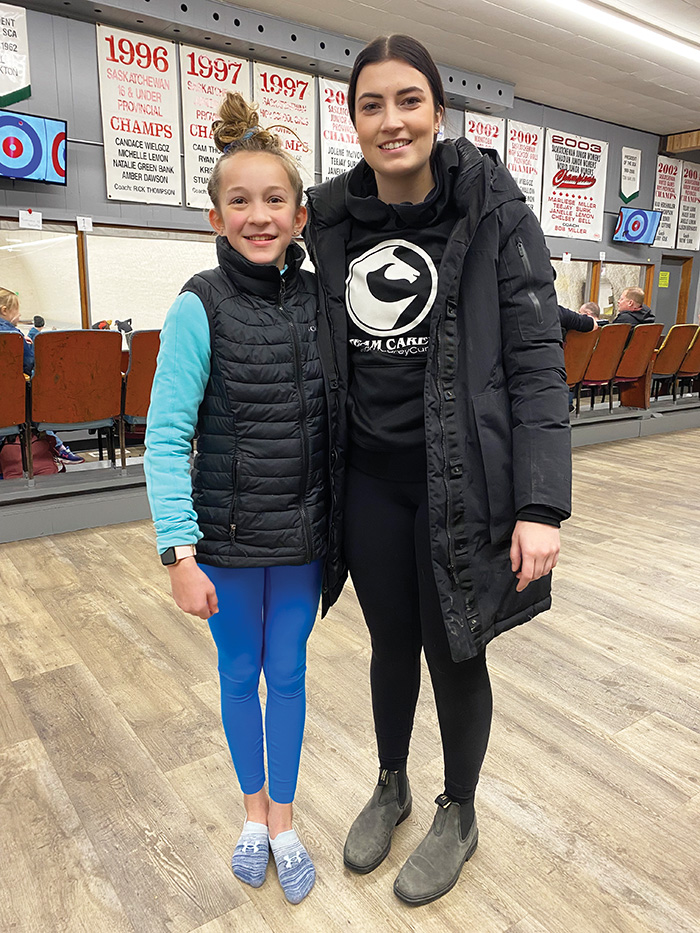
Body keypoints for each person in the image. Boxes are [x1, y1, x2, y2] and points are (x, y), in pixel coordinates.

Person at [304, 35, 571, 906]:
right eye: (372, 104)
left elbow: (536, 357)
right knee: (390, 645)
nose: (392, 121)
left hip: (466, 478)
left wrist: (541, 502)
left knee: (456, 645)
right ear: (352, 119)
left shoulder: (492, 207)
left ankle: (459, 808)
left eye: (408, 100)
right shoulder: (333, 221)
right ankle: (393, 781)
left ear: (439, 112)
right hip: (371, 477)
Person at [144, 93, 326, 905]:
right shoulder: (197, 305)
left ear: (298, 213)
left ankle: (283, 821)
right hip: (222, 540)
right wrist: (179, 555)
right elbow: (164, 438)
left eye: (274, 199)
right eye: (241, 201)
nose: (259, 215)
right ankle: (250, 815)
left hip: (301, 541)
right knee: (237, 671)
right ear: (216, 216)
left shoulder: (322, 301)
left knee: (286, 675)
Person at [0, 289, 84, 463]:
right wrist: (29, 343)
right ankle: (57, 446)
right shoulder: (12, 335)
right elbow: (29, 362)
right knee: (36, 406)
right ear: (4, 310)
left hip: (5, 401)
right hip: (15, 398)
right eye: (16, 309)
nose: (20, 314)